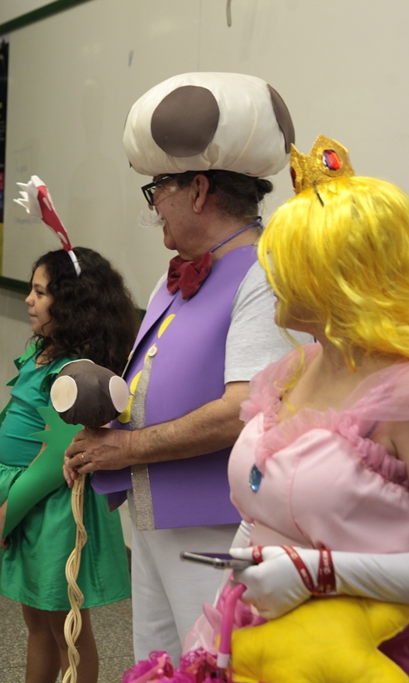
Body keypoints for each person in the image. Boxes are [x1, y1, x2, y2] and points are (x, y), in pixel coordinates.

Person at [173, 136, 409, 682]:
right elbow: (261, 513)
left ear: (340, 277)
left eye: (286, 263)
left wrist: (319, 573)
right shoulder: (295, 369)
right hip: (263, 648)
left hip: (362, 661)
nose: (269, 276)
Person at [62, 72, 303, 662]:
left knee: (211, 662)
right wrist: (102, 432)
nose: (154, 207)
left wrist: (127, 448)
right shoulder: (178, 275)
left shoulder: (262, 273)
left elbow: (244, 409)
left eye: (157, 190)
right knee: (159, 662)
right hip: (157, 519)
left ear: (197, 191)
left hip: (217, 527)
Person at [0, 247, 135, 683]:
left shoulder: (74, 371)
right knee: (36, 621)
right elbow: (8, 424)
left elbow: (56, 459)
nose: (28, 300)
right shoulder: (42, 354)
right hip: (18, 501)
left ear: (70, 304)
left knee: (66, 629)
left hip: (52, 510)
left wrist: (7, 515)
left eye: (40, 292)